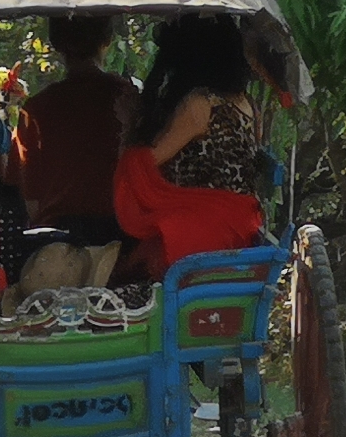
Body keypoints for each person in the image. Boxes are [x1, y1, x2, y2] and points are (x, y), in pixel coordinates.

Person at [112, 15, 267, 277]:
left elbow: (147, 161)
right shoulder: (249, 104)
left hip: (210, 222)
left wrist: (128, 125)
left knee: (130, 264)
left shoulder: (200, 103)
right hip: (242, 221)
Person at [8, 16, 137, 243]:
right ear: (107, 39)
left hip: (57, 241)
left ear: (55, 42)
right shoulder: (129, 99)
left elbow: (29, 198)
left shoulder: (36, 109)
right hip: (124, 234)